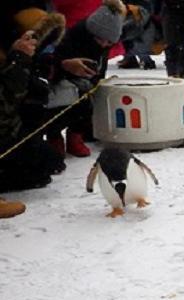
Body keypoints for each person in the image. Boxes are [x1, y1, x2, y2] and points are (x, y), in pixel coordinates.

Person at [46, 0, 126, 158]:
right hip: (59, 83)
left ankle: (75, 135)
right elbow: (49, 63)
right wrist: (65, 66)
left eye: (109, 42)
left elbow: (100, 70)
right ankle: (54, 136)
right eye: (100, 40)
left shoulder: (103, 43)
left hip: (84, 84)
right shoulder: (71, 37)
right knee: (61, 102)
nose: (104, 44)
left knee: (88, 102)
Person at [0, 27, 66, 213]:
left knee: (49, 162)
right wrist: (18, 61)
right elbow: (6, 108)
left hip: (14, 129)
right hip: (6, 132)